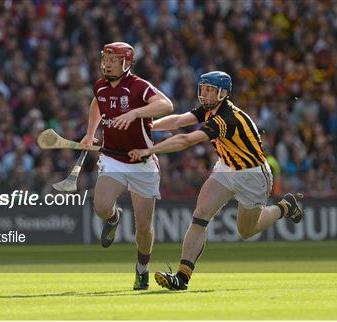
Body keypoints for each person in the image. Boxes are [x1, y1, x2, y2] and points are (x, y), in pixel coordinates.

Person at [129, 71, 304, 290]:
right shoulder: (209, 109)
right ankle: (182, 278)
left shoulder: (226, 120)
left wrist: (149, 150)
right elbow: (178, 121)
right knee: (200, 216)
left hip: (252, 176)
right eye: (202, 89)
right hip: (226, 168)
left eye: (209, 90)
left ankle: (284, 207)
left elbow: (185, 140)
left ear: (223, 93)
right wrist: (147, 126)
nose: (204, 94)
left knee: (246, 231)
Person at [80, 42, 173, 290]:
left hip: (141, 162)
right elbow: (97, 103)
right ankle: (113, 218)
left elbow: (166, 105)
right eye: (105, 58)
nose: (107, 63)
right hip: (113, 158)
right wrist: (90, 133)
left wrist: (135, 113)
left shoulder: (138, 86)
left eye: (113, 59)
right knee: (100, 207)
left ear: (126, 62)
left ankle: (142, 269)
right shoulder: (100, 86)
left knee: (143, 227)